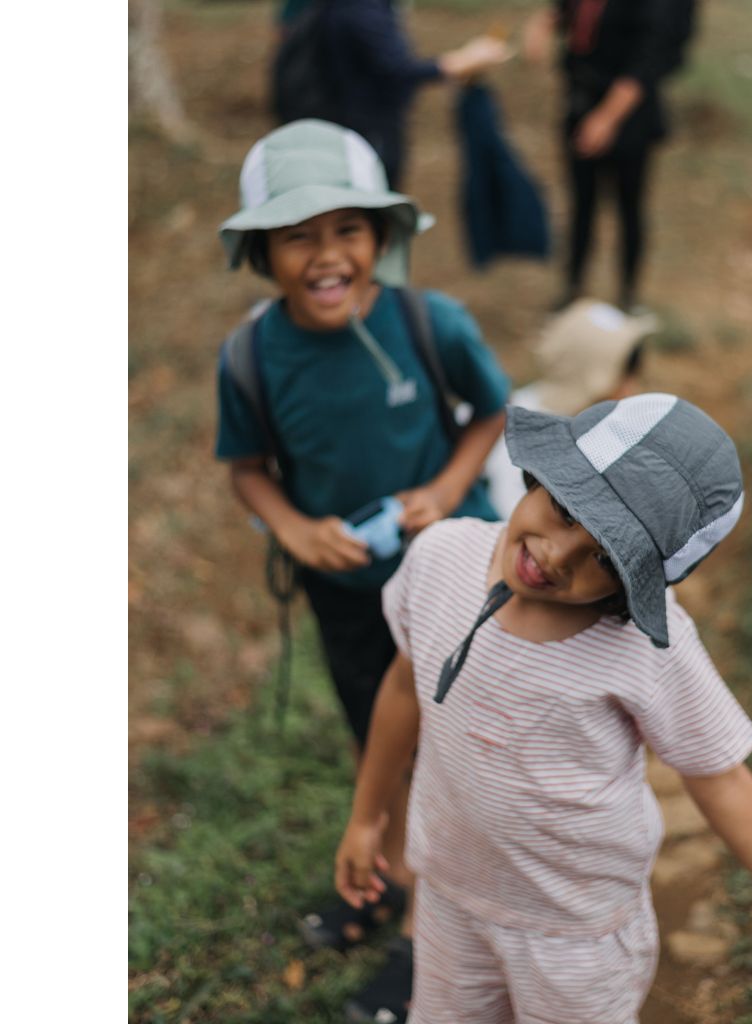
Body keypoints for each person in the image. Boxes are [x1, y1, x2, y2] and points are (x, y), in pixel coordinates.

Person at [335, 393, 752, 1022]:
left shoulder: (643, 651)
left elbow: (717, 776)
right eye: (563, 508)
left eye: (606, 558)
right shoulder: (440, 557)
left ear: (634, 586)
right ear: (539, 474)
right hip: (448, 892)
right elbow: (401, 687)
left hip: (574, 932)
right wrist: (367, 820)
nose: (557, 555)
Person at [214, 118, 510, 1022]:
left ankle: (429, 941)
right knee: (374, 740)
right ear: (263, 252)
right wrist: (297, 531)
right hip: (345, 594)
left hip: (452, 581)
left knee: (446, 761)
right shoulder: (251, 356)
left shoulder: (432, 322)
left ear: (383, 237)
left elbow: (490, 412)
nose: (326, 255)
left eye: (347, 230)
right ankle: (379, 877)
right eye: (298, 236)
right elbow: (248, 470)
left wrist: (445, 488)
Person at [524, 0, 678, 313]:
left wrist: (607, 119)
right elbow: (563, 16)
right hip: (581, 105)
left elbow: (646, 63)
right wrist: (542, 28)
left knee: (629, 207)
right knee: (582, 204)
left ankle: (628, 293)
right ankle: (574, 285)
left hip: (629, 117)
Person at [280, 0, 509, 190]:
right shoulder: (361, 9)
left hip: (350, 123)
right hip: (365, 129)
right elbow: (397, 69)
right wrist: (463, 61)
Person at [483, 298, 657, 518]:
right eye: (625, 376)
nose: (633, 388)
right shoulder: (521, 442)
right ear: (596, 379)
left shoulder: (588, 424)